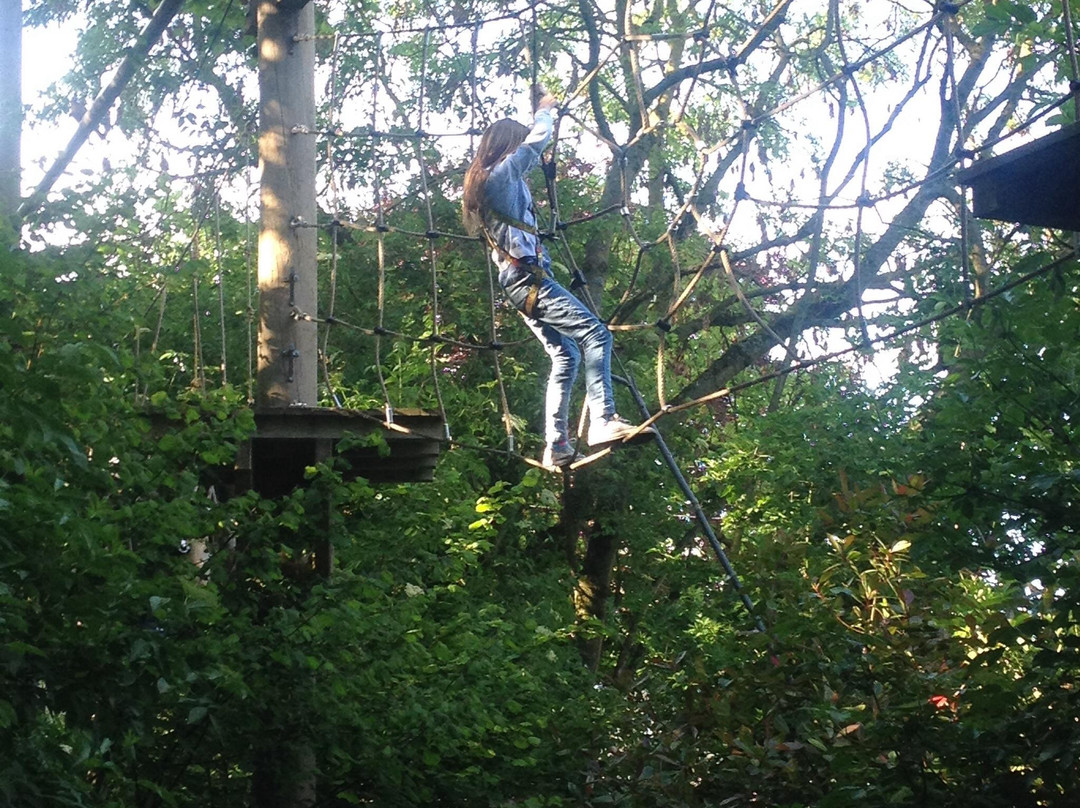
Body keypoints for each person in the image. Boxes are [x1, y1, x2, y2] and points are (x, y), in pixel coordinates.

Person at [462, 89, 655, 469]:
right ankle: (602, 420)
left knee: (565, 356)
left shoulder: (496, 186)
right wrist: (543, 113)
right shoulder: (499, 178)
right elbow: (534, 145)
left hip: (521, 281)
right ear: (506, 147)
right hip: (527, 280)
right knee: (596, 334)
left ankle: (557, 445)